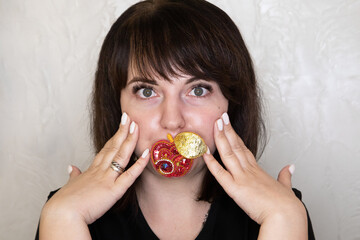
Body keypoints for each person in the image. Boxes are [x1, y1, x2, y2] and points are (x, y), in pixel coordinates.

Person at [36, 0, 315, 239]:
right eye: (147, 91)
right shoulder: (66, 211)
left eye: (198, 89)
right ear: (116, 104)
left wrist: (284, 218)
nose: (172, 121)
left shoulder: (281, 209)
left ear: (232, 102)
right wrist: (63, 218)